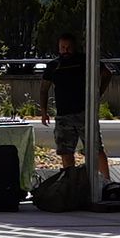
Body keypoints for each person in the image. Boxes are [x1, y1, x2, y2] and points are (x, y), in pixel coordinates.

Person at [45, 33, 88, 166]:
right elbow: (43, 88)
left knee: (96, 149)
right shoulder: (54, 65)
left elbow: (106, 73)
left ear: (74, 47)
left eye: (69, 47)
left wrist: (98, 93)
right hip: (64, 114)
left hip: (84, 112)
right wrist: (43, 110)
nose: (66, 50)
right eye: (63, 47)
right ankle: (71, 182)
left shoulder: (83, 61)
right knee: (65, 152)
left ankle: (106, 182)